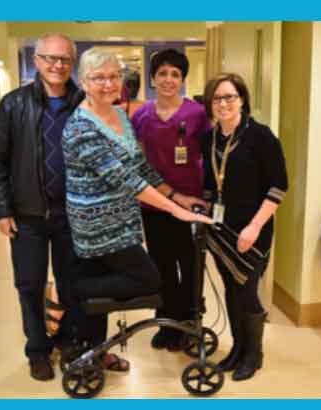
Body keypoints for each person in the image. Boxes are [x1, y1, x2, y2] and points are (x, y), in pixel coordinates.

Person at [61, 48, 213, 368]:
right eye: (98, 77)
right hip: (98, 225)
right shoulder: (79, 127)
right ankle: (70, 293)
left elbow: (140, 166)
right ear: (83, 82)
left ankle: (95, 352)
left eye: (113, 76)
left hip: (124, 223)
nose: (108, 83)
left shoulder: (118, 115)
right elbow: (125, 178)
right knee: (148, 280)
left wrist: (178, 197)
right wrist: (176, 212)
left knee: (103, 295)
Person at [0, 33, 99, 381]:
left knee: (72, 285)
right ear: (36, 61)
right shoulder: (13, 104)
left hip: (73, 217)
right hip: (27, 216)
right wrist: (2, 210)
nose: (57, 65)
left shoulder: (86, 103)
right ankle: (37, 349)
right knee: (30, 285)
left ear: (72, 64)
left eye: (64, 59)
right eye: (50, 58)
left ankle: (69, 341)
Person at [201, 73, 288, 381]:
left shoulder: (261, 136)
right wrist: (206, 212)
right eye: (217, 98)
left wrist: (253, 228)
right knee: (230, 288)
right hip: (222, 229)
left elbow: (279, 187)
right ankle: (237, 348)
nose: (224, 103)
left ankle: (254, 354)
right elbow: (211, 186)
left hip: (254, 229)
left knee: (247, 290)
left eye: (230, 97)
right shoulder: (210, 138)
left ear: (242, 100)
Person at [131, 49, 209, 351]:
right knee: (161, 264)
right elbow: (138, 159)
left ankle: (189, 322)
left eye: (175, 74)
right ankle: (166, 321)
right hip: (153, 203)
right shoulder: (142, 116)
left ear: (183, 80)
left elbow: (208, 155)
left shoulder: (196, 114)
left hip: (189, 204)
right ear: (152, 78)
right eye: (162, 73)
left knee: (189, 265)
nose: (168, 79)